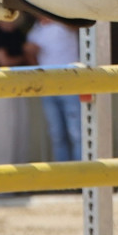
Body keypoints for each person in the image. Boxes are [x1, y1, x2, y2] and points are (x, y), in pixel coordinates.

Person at [24, 16, 82, 162]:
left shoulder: (64, 22)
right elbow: (30, 53)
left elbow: (78, 25)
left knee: (77, 133)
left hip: (70, 84)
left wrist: (56, 18)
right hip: (48, 87)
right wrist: (31, 55)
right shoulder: (36, 30)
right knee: (57, 135)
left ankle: (80, 173)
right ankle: (64, 174)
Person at [0, 17, 32, 166]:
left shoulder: (18, 33)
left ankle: (20, 168)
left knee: (20, 127)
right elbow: (4, 61)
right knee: (2, 129)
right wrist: (24, 56)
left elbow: (30, 57)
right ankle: (0, 168)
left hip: (19, 85)